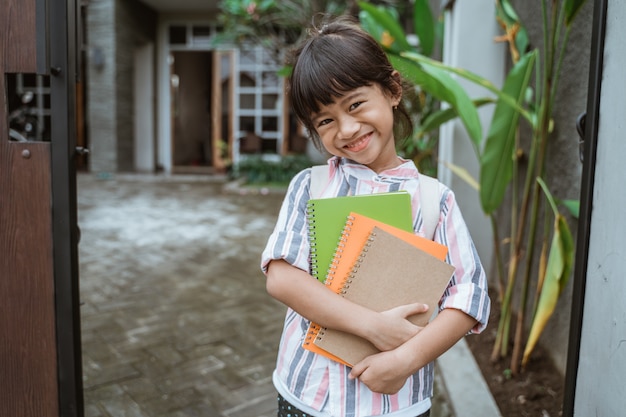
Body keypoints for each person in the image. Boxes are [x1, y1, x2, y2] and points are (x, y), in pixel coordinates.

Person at [261, 15, 490, 417]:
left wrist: (406, 360)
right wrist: (372, 326)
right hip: (306, 392)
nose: (347, 129)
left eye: (356, 104)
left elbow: (469, 297)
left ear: (393, 91)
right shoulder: (310, 186)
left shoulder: (434, 200)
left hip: (394, 403)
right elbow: (281, 277)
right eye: (326, 121)